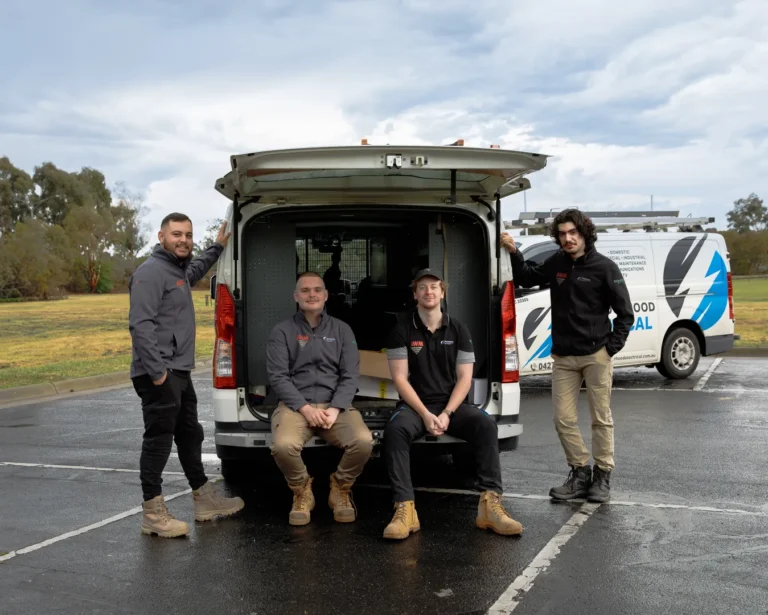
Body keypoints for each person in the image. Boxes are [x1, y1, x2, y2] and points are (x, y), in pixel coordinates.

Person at [501, 208, 634, 503]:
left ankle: (602, 476)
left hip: (596, 355)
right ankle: (579, 473)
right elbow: (527, 275)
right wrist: (513, 251)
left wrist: (609, 349)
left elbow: (626, 314)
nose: (567, 238)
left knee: (601, 419)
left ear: (585, 233)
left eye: (573, 233)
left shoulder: (605, 268)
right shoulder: (557, 263)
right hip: (563, 357)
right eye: (562, 234)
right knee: (562, 419)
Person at [382, 269, 523, 540]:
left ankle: (490, 507)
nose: (429, 292)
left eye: (434, 286)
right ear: (415, 295)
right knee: (395, 431)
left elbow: (465, 379)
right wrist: (424, 414)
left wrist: (447, 412)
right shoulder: (401, 330)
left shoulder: (459, 329)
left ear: (443, 292)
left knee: (484, 424)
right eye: (422, 287)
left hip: (451, 406)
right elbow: (400, 379)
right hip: (415, 406)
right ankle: (405, 509)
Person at [129, 212, 244, 538]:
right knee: (158, 442)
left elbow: (193, 270)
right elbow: (141, 325)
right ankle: (153, 513)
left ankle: (203, 499)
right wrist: (158, 374)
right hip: (160, 373)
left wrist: (217, 247)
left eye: (188, 235)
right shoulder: (150, 273)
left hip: (177, 370)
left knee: (190, 434)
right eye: (176, 234)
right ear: (161, 236)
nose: (183, 240)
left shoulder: (175, 270)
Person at [266, 272, 373, 526]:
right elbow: (278, 377)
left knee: (364, 442)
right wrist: (304, 408)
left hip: (335, 406)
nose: (311, 294)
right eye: (305, 290)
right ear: (296, 296)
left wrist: (336, 409)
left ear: (326, 296)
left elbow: (350, 375)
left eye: (317, 290)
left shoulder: (342, 330)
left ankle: (341, 487)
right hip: (295, 407)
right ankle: (302, 490)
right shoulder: (282, 331)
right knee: (282, 446)